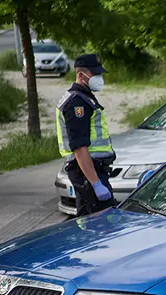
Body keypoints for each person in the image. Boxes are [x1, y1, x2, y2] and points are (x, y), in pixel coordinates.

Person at [55, 53, 117, 217]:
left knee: (87, 222)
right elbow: (80, 148)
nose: (99, 77)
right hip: (87, 171)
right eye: (95, 74)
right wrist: (95, 183)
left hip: (89, 171)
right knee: (104, 223)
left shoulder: (84, 98)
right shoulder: (77, 103)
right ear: (81, 75)